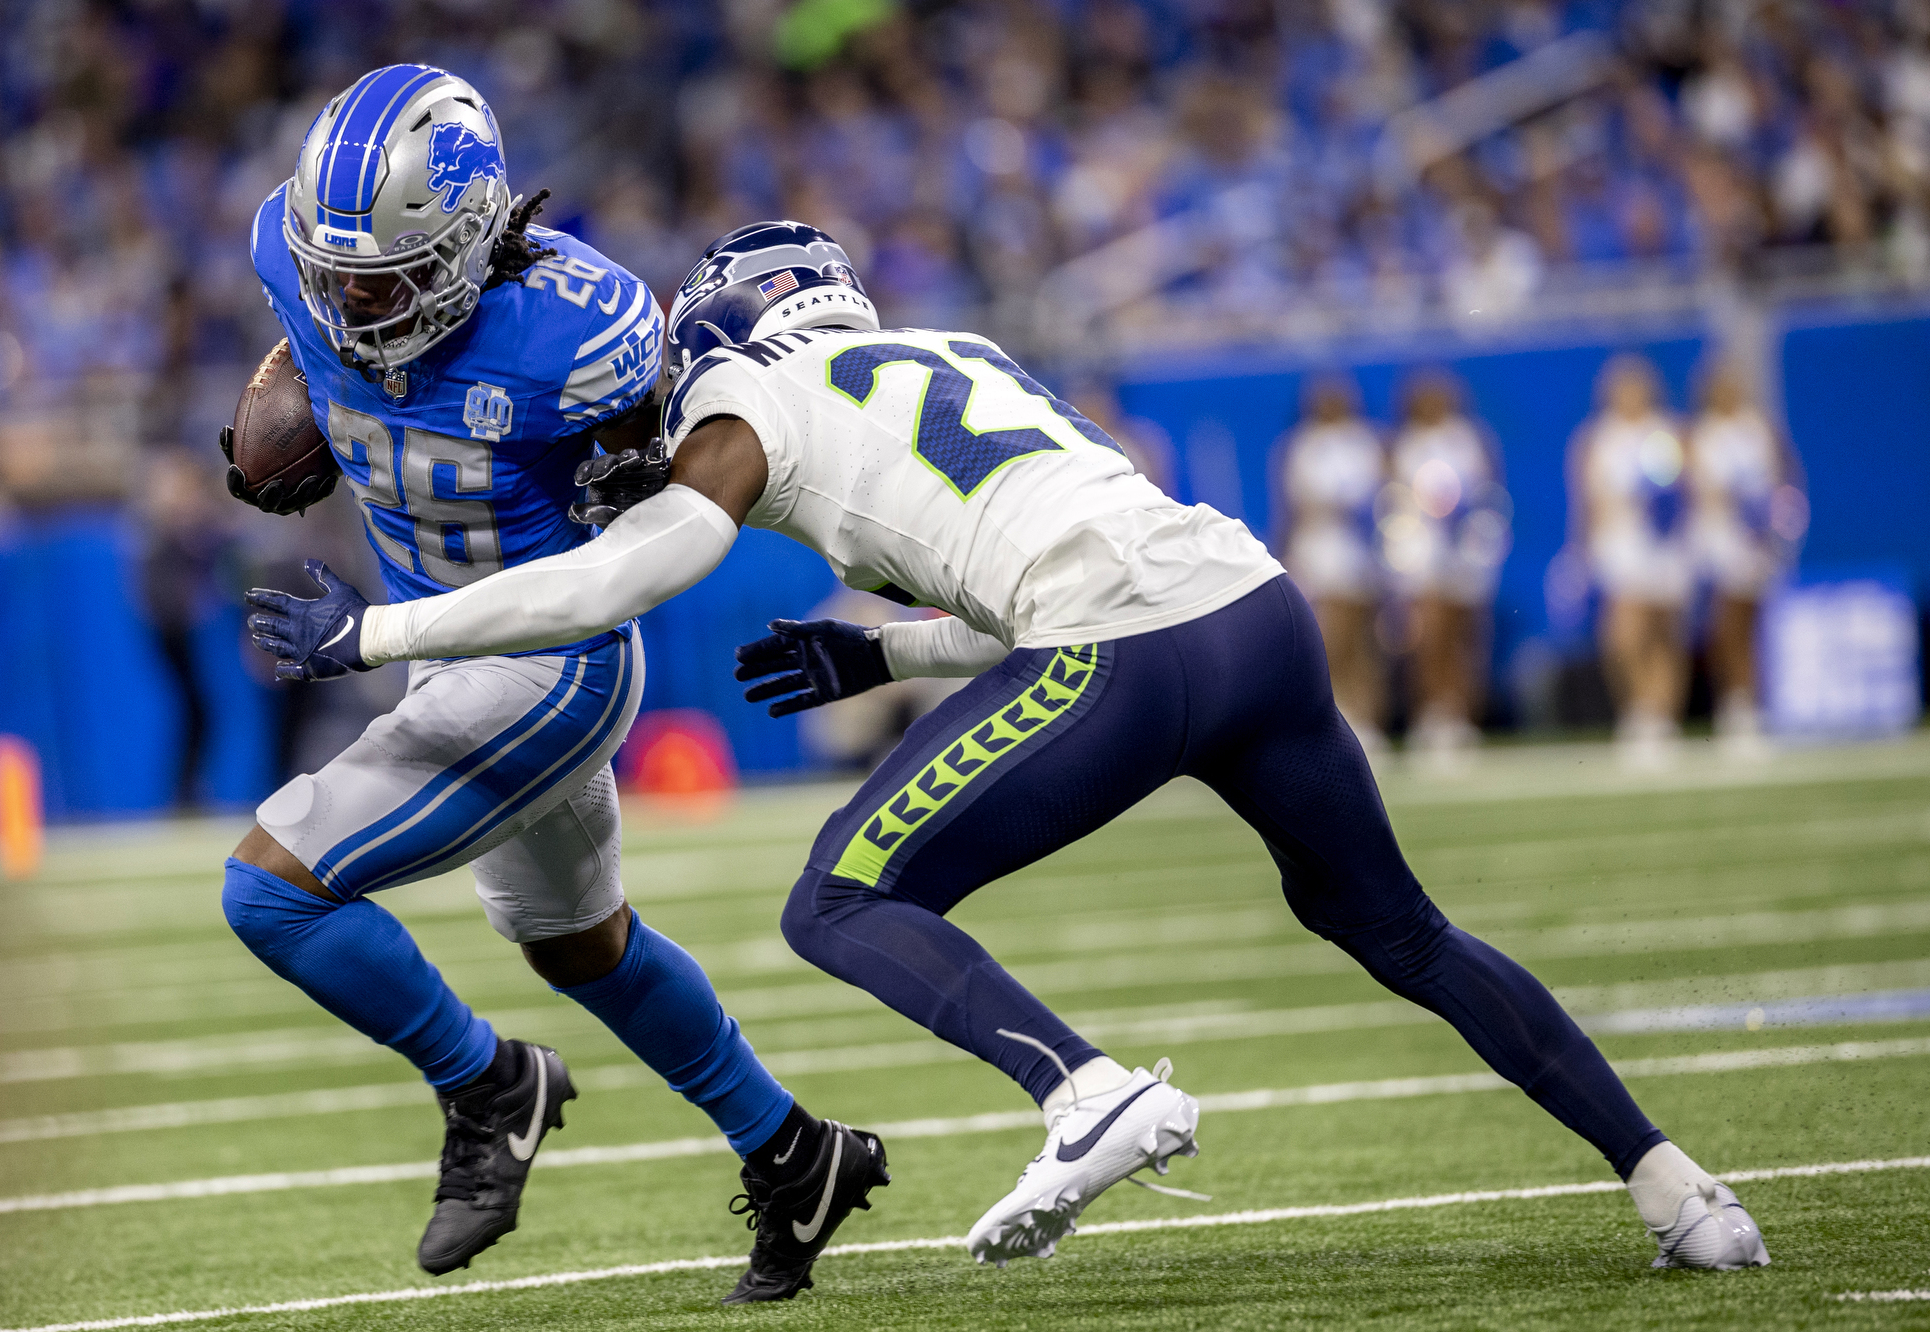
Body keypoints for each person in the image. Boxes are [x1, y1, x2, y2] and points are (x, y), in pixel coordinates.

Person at [245, 220, 1770, 1274]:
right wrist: (886, 651)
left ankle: (1086, 1091)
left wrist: (374, 638)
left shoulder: (747, 395)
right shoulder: (959, 350)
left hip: (1123, 646)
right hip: (1256, 614)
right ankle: (1677, 1187)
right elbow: (1032, 562)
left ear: (732, 316)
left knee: (835, 903)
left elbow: (622, 576)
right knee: (1406, 932)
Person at [221, 70, 883, 1304]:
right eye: (333, 275)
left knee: (272, 896)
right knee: (581, 944)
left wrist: (623, 471)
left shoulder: (583, 331)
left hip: (550, 663)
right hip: (440, 648)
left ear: (472, 244)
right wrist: (279, 404)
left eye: (384, 279)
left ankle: (486, 1083)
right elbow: (310, 335)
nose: (352, 304)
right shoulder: (298, 252)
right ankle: (794, 1153)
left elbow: (656, 509)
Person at [1381, 371, 1510, 757]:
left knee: (1463, 640)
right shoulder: (1402, 444)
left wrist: (1479, 542)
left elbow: (1488, 493)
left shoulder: (1469, 439)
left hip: (1466, 551)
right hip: (1421, 553)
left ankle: (1462, 717)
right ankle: (1432, 713)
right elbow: (1393, 501)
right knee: (1428, 636)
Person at [1569, 355, 1691, 763]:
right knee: (1623, 635)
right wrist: (1579, 551)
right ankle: (1640, 710)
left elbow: (1685, 492)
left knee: (1664, 634)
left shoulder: (1668, 432)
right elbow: (1585, 503)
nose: (1629, 395)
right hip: (1619, 546)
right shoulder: (1596, 437)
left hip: (1664, 546)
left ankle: (1662, 716)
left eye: (1636, 386)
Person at [1688, 361, 1802, 745]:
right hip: (1718, 539)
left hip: (1757, 538)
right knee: (1725, 627)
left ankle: (1751, 702)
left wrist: (1776, 521)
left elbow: (1784, 479)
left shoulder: (1758, 428)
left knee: (1751, 624)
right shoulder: (1701, 433)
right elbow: (1697, 491)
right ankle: (1737, 702)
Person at [1275, 375, 1387, 753]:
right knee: (1329, 639)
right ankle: (1338, 717)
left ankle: (1367, 717)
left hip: (1360, 550)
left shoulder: (1366, 441)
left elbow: (1383, 495)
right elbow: (1291, 506)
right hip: (1320, 550)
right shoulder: (1301, 446)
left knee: (1362, 640)